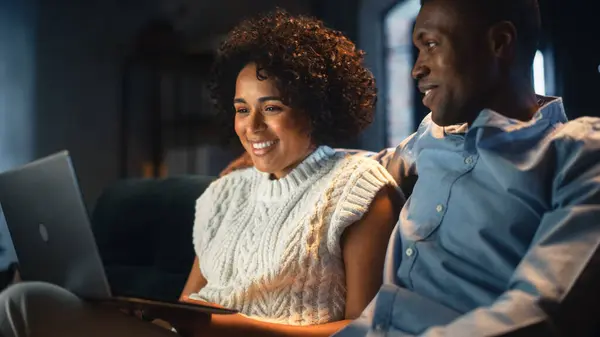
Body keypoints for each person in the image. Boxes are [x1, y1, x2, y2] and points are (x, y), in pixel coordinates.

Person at [0, 9, 403, 337]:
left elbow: (365, 331)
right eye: (242, 109)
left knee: (24, 305)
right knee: (25, 297)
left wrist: (230, 328)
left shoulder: (358, 188)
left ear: (317, 109)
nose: (252, 126)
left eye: (272, 107)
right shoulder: (224, 192)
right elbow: (187, 306)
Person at [225, 0, 600, 336]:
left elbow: (540, 310)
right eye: (417, 49)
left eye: (431, 45)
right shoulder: (430, 138)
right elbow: (351, 171)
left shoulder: (579, 153)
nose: (416, 69)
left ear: (499, 43)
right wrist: (275, 152)